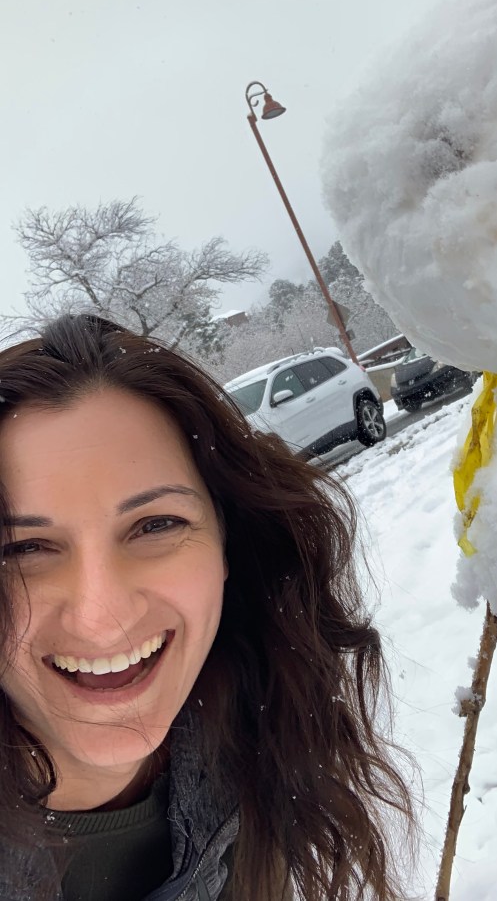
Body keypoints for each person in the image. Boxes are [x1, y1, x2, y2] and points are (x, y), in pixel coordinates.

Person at [0, 314, 414, 901]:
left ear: (226, 541)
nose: (101, 618)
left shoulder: (257, 745)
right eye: (23, 549)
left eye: (156, 525)